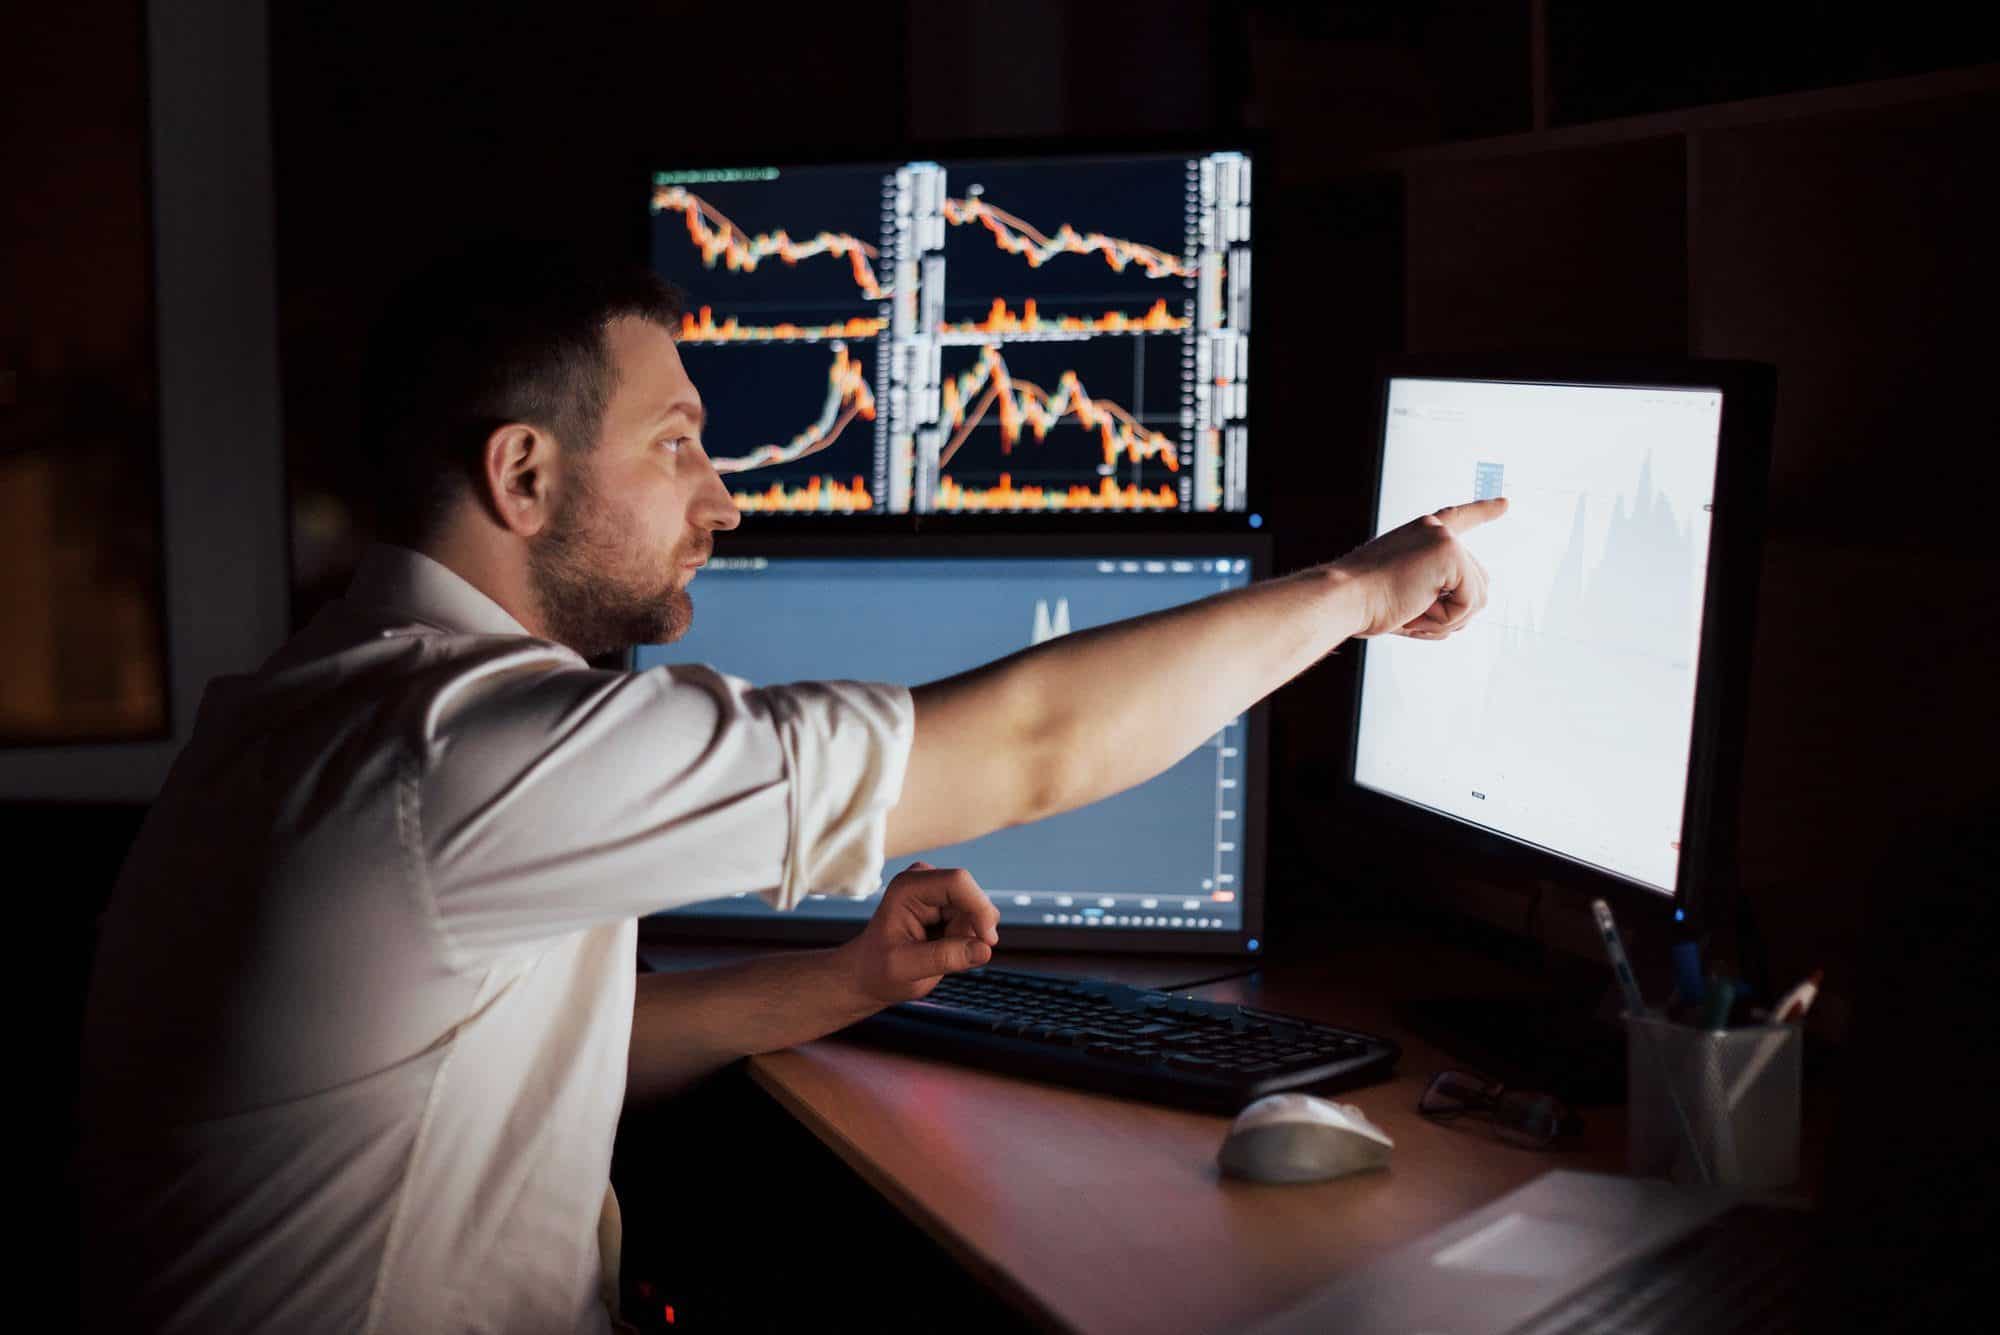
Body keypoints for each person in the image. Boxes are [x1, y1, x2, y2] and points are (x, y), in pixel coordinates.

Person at [76, 243, 1505, 1333]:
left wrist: (841, 986)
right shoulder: (461, 743)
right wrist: (1358, 593)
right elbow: (1026, 749)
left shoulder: (314, 700)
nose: (722, 498)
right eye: (676, 444)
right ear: (523, 475)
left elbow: (533, 1051)